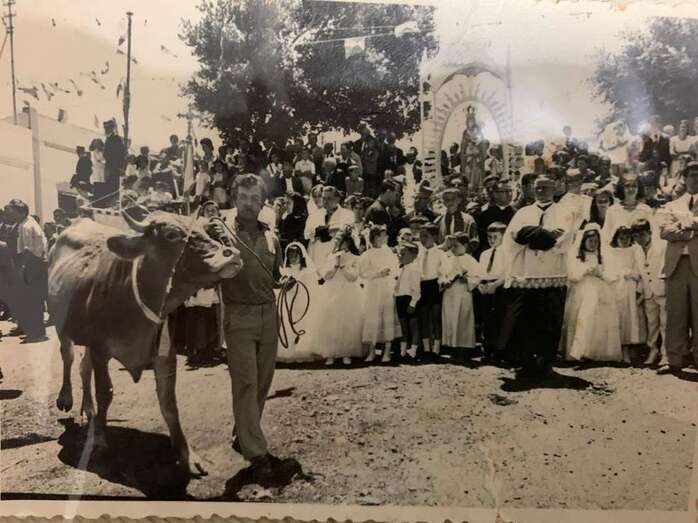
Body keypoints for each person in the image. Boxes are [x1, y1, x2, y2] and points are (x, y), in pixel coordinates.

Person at [221, 173, 287, 481]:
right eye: (244, 198)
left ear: (262, 202)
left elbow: (275, 274)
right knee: (246, 382)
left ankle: (243, 431)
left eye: (255, 198)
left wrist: (284, 280)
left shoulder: (272, 236)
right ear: (235, 199)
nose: (249, 204)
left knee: (262, 381)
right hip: (239, 315)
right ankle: (256, 450)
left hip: (269, 315)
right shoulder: (222, 234)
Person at [501, 175, 571, 378]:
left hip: (552, 273)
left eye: (546, 187)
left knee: (549, 321)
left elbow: (563, 239)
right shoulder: (523, 212)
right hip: (527, 272)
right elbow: (512, 238)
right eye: (538, 187)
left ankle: (545, 363)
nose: (541, 191)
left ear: (554, 188)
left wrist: (532, 236)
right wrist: (544, 235)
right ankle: (526, 362)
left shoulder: (564, 212)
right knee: (526, 320)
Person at [657, 161, 698, 375]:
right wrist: (691, 227)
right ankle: (674, 359)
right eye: (692, 174)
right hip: (676, 265)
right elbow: (665, 232)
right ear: (684, 177)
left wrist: (683, 224)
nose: (695, 179)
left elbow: (675, 230)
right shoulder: (673, 205)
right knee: (675, 314)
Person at [562, 223, 622, 362]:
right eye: (590, 241)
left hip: (600, 290)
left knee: (598, 320)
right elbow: (572, 276)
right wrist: (584, 270)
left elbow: (612, 276)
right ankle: (579, 351)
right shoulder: (577, 256)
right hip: (581, 291)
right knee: (583, 318)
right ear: (583, 241)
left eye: (596, 241)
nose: (593, 244)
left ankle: (595, 351)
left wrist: (599, 273)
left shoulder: (602, 256)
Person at [316, 228, 365, 365]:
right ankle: (331, 353)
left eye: (340, 240)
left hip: (348, 292)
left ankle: (346, 353)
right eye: (336, 239)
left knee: (347, 322)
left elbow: (353, 277)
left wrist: (343, 266)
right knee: (331, 321)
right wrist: (335, 266)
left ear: (347, 242)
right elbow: (326, 276)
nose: (337, 242)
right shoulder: (330, 256)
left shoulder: (355, 258)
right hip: (332, 291)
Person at [6, 200, 48, 342]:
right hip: (34, 264)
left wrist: (22, 268)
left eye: (12, 212)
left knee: (33, 301)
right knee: (33, 300)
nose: (10, 215)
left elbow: (28, 250)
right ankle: (35, 331)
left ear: (20, 212)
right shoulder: (27, 223)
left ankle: (36, 334)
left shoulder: (26, 226)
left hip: (32, 264)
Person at [359, 225, 401, 362]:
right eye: (384, 235)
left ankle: (387, 351)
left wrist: (389, 272)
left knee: (387, 316)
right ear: (377, 237)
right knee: (373, 316)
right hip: (373, 289)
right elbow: (363, 273)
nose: (387, 237)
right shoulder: (367, 254)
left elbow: (396, 269)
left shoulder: (389, 252)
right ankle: (371, 351)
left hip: (387, 288)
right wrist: (378, 273)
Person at [276, 242, 321, 363]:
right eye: (290, 255)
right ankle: (288, 352)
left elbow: (311, 287)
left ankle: (301, 351)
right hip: (289, 301)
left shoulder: (307, 271)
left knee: (302, 325)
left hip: (302, 300)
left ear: (301, 256)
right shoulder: (285, 270)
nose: (293, 258)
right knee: (287, 324)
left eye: (295, 255)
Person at [439, 231, 481, 360]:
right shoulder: (448, 259)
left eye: (456, 246)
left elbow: (477, 277)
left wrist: (467, 280)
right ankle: (451, 348)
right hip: (449, 294)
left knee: (463, 321)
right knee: (450, 320)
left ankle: (463, 349)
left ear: (465, 245)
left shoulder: (470, 260)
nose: (453, 249)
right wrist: (444, 282)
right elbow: (441, 274)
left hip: (463, 294)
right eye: (451, 246)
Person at [631, 219, 667, 367]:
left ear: (650, 233)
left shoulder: (662, 246)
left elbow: (666, 268)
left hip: (662, 290)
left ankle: (666, 354)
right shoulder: (636, 250)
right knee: (652, 324)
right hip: (648, 292)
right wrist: (639, 291)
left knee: (665, 324)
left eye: (642, 234)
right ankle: (653, 350)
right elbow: (640, 272)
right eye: (636, 235)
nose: (639, 238)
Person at [606, 225, 643, 364]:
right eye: (621, 238)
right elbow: (608, 269)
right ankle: (616, 350)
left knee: (629, 317)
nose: (624, 240)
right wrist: (621, 273)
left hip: (630, 288)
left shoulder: (634, 250)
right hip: (615, 287)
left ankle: (628, 349)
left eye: (627, 237)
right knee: (617, 317)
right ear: (616, 238)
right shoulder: (611, 251)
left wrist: (633, 274)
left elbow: (638, 268)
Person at [477, 222, 508, 364]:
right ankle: (486, 350)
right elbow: (480, 272)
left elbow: (508, 274)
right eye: (489, 237)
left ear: (503, 237)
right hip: (485, 287)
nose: (491, 240)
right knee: (486, 320)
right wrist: (480, 285)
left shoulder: (507, 253)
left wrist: (495, 285)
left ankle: (498, 352)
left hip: (499, 287)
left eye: (495, 237)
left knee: (499, 319)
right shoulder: (484, 254)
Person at [304, 186, 353, 269]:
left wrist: (321, 231)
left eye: (329, 198)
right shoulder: (314, 214)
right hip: (318, 257)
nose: (325, 201)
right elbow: (307, 234)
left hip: (337, 259)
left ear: (337, 199)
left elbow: (345, 230)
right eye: (323, 198)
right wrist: (331, 230)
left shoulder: (347, 214)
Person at [417, 222, 446, 358]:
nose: (422, 239)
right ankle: (426, 348)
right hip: (422, 285)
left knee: (436, 317)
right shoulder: (418, 252)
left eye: (425, 236)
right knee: (423, 317)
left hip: (434, 285)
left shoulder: (440, 253)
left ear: (434, 237)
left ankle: (436, 348)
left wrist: (442, 281)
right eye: (421, 236)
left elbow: (443, 270)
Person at [601, 174, 653, 244]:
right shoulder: (612, 210)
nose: (631, 189)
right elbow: (606, 235)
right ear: (621, 188)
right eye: (627, 186)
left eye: (634, 186)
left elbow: (653, 235)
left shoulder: (646, 210)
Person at [394, 241, 421, 359]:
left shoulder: (414, 269)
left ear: (413, 256)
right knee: (403, 327)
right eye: (399, 254)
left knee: (413, 326)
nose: (400, 256)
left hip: (409, 299)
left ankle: (413, 350)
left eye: (403, 254)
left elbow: (416, 289)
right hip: (400, 298)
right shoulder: (401, 268)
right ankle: (403, 351)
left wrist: (413, 303)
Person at [434, 188, 479, 252]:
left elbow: (474, 241)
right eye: (447, 199)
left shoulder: (468, 219)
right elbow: (434, 241)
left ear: (459, 200)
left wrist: (463, 251)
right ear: (443, 202)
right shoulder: (438, 220)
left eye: (453, 199)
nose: (450, 202)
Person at [364, 181, 399, 246]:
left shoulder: (378, 207)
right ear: (388, 192)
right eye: (395, 194)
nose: (396, 198)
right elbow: (384, 238)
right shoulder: (378, 210)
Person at [102, 119, 126, 206]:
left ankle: (112, 204)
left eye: (107, 128)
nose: (106, 129)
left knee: (114, 186)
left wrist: (120, 167)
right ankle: (110, 203)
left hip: (114, 167)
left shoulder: (116, 139)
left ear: (112, 128)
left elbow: (121, 154)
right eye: (105, 128)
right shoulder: (108, 138)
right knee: (109, 185)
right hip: (110, 166)